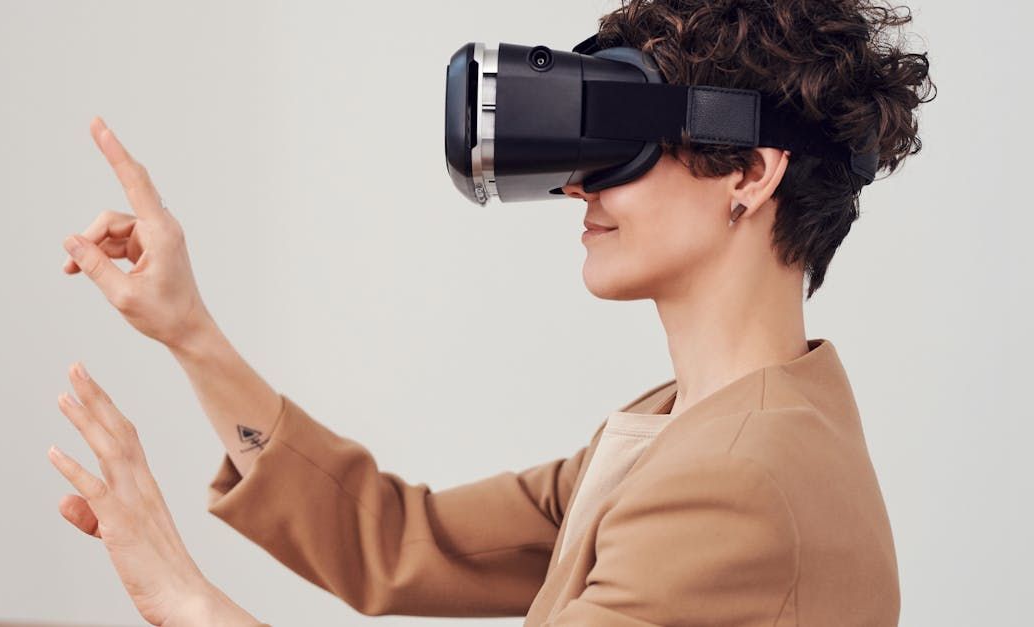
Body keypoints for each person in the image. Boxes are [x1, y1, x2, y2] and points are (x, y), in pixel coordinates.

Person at [46, 1, 935, 625]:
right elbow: (400, 542)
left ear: (750, 171)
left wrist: (184, 597)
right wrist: (187, 328)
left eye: (619, 138)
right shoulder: (687, 429)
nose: (577, 180)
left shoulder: (742, 482)